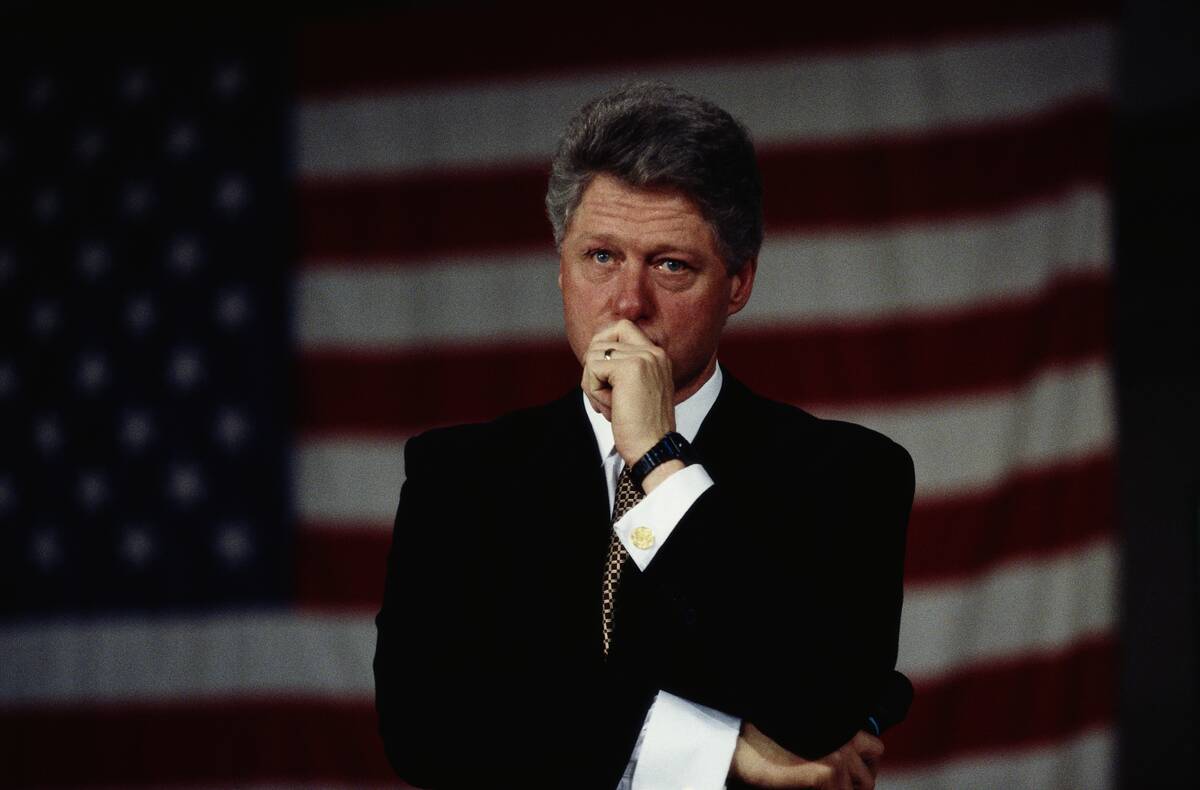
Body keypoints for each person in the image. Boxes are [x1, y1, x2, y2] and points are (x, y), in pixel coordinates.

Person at [374, 82, 915, 790]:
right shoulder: (458, 477)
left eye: (671, 265)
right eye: (600, 256)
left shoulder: (848, 474)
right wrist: (720, 750)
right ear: (560, 268)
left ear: (739, 281)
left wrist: (660, 458)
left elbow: (813, 708)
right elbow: (425, 728)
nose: (627, 302)